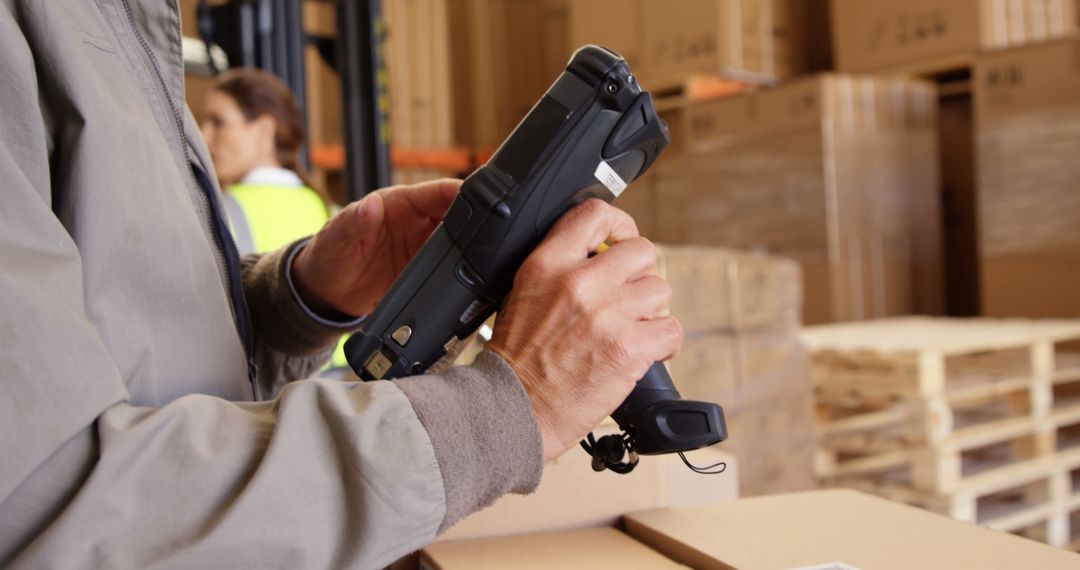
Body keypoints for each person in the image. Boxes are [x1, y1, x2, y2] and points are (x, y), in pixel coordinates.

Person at [0, 3, 683, 569]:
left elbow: (115, 334)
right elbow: (46, 504)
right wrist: (506, 410)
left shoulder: (119, 22)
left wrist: (290, 302)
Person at [199, 68, 348, 371]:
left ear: (265, 128)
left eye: (218, 122)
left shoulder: (218, 210)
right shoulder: (325, 205)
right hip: (340, 379)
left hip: (275, 393)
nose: (203, 137)